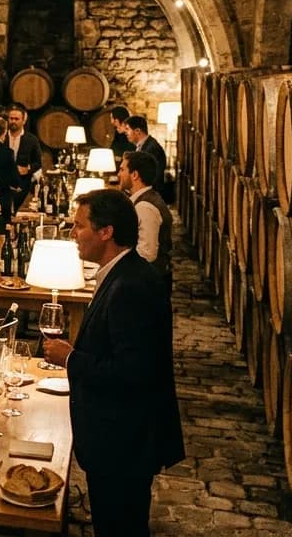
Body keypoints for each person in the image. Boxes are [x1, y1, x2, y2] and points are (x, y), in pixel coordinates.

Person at [44, 189, 184, 536]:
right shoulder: (124, 274)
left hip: (124, 442)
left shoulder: (131, 286)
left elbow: (132, 372)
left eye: (79, 227)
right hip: (119, 438)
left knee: (120, 526)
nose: (73, 234)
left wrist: (70, 357)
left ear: (105, 232)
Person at [120, 152, 173, 286]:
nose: (119, 174)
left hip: (147, 283)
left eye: (122, 170)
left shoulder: (145, 207)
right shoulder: (145, 199)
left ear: (135, 175)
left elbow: (147, 254)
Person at [6, 104, 43, 205]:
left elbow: (38, 162)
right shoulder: (2, 137)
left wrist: (28, 168)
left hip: (23, 184)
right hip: (4, 184)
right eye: (11, 118)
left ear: (23, 121)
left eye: (16, 119)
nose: (13, 121)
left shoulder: (31, 139)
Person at [127, 115, 169, 182]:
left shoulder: (152, 149)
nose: (126, 133)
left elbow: (150, 179)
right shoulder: (144, 145)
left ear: (137, 131)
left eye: (128, 129)